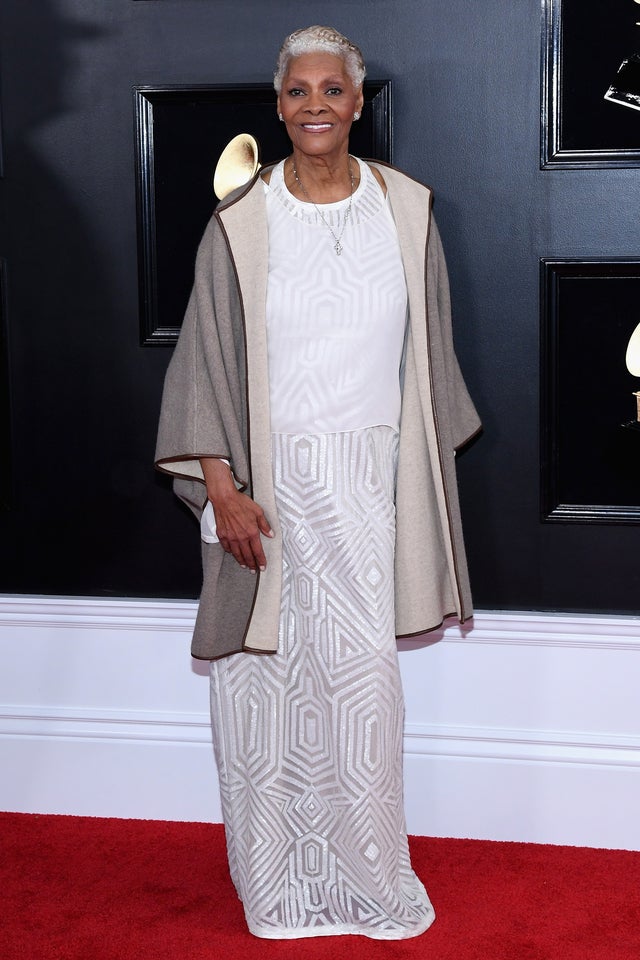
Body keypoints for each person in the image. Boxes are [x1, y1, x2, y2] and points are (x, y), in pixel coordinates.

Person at [155, 24, 480, 940]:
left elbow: (431, 362)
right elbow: (204, 365)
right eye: (297, 91)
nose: (313, 106)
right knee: (265, 686)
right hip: (268, 485)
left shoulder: (408, 211)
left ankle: (367, 874)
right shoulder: (241, 223)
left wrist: (415, 472)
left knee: (358, 683)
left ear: (358, 102)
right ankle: (277, 879)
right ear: (279, 103)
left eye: (330, 90)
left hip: (370, 484)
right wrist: (222, 489)